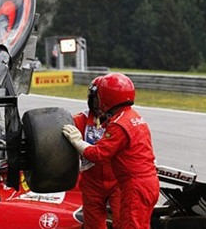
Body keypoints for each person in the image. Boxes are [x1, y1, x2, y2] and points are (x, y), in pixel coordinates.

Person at [63, 72, 159, 229]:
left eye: (99, 98)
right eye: (95, 98)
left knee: (128, 225)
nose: (97, 103)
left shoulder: (118, 123)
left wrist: (78, 142)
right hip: (98, 182)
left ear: (107, 98)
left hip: (123, 182)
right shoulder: (134, 117)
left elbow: (99, 154)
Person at [72, 76, 121, 229]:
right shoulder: (79, 120)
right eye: (95, 100)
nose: (98, 105)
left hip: (118, 180)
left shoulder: (122, 121)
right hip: (91, 181)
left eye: (102, 100)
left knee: (124, 222)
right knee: (93, 226)